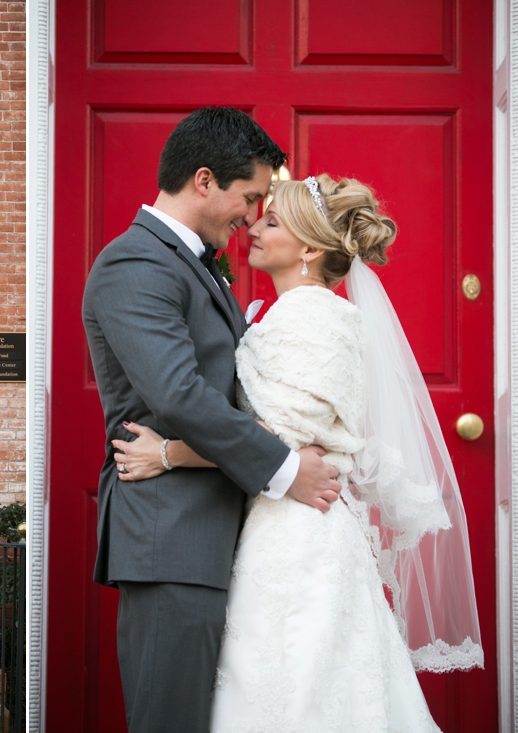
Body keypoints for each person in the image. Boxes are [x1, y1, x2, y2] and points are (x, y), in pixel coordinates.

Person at [114, 174, 484, 731]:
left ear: (310, 248)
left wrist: (168, 454)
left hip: (297, 533)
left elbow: (278, 438)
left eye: (271, 222)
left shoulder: (313, 316)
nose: (251, 227)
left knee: (295, 681)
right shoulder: (276, 311)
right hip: (273, 517)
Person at [80, 107, 343, 733]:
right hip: (172, 535)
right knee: (172, 719)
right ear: (204, 181)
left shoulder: (198, 264)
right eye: (249, 197)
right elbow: (178, 394)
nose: (251, 216)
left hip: (219, 529)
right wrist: (284, 469)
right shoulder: (136, 265)